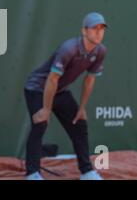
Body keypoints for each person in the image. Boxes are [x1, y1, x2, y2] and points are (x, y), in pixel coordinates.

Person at [23, 12, 108, 180]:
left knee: (80, 124)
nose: (98, 32)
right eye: (94, 28)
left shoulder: (100, 51)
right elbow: (52, 79)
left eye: (102, 28)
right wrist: (46, 110)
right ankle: (32, 173)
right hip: (38, 88)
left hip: (60, 91)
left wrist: (82, 108)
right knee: (40, 124)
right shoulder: (69, 49)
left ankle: (87, 172)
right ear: (84, 31)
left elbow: (89, 80)